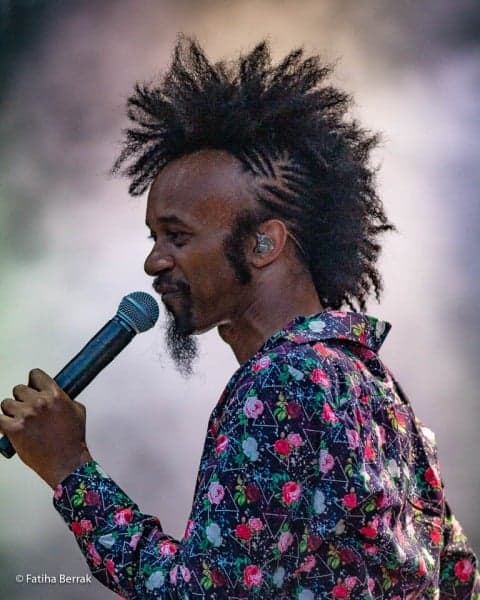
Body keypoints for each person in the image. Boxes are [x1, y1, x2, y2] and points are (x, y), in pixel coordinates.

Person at [0, 37, 478, 600]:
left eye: (177, 236)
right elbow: (457, 577)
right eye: (154, 238)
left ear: (263, 243)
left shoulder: (283, 383)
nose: (154, 261)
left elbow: (198, 593)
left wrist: (70, 468)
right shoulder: (372, 384)